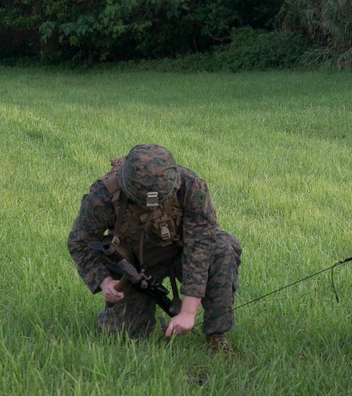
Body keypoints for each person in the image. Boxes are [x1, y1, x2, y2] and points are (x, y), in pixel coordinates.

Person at [68, 143, 241, 351]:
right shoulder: (103, 195)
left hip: (181, 254)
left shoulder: (192, 186)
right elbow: (79, 242)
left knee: (223, 247)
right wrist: (105, 282)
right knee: (118, 337)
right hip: (136, 268)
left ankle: (216, 334)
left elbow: (201, 246)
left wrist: (188, 312)